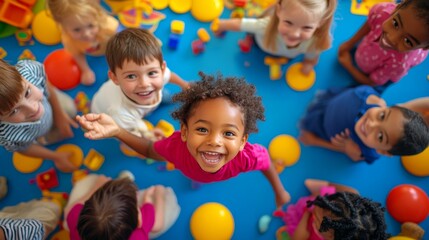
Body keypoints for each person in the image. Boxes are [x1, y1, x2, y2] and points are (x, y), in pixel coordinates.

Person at [77, 73, 291, 208]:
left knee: (202, 172)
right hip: (188, 168)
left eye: (228, 133)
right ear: (185, 132)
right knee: (198, 173)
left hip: (203, 168)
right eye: (202, 129)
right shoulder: (176, 146)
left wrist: (279, 190)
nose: (214, 141)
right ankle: (197, 177)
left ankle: (199, 178)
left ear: (244, 141)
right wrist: (118, 131)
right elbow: (151, 149)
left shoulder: (248, 157)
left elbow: (266, 164)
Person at [91, 28, 189, 138]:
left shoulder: (158, 73)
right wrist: (148, 134)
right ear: (115, 78)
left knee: (162, 93)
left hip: (141, 101)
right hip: (119, 119)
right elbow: (127, 136)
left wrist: (184, 84)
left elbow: (169, 76)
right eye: (131, 76)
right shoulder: (120, 113)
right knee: (138, 128)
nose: (144, 83)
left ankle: (158, 101)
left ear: (162, 69)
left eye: (151, 73)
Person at [299, 85, 429, 164]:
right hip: (328, 104)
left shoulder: (361, 150)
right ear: (386, 106)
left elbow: (354, 157)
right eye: (382, 116)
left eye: (380, 136)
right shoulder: (367, 96)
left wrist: (315, 141)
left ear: (382, 151)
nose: (371, 124)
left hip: (322, 128)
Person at [213, 0, 337, 74]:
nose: (294, 34)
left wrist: (308, 64)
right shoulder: (266, 26)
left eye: (306, 28)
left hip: (284, 55)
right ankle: (249, 39)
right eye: (288, 23)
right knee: (252, 32)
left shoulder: (315, 41)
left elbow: (312, 55)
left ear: (320, 22)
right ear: (279, 11)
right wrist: (222, 25)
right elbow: (240, 24)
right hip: (261, 43)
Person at [0, 59, 78, 172]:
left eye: (27, 93)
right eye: (14, 112)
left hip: (50, 101)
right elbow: (25, 148)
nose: (33, 109)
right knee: (51, 138)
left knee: (71, 109)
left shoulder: (28, 70)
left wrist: (60, 115)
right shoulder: (5, 135)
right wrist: (56, 157)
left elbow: (46, 83)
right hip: (41, 134)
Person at [338, 0, 429, 93]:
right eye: (396, 24)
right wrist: (350, 43)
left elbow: (372, 82)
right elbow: (370, 24)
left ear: (425, 47)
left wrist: (348, 66)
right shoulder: (382, 11)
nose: (391, 39)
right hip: (366, 51)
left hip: (378, 73)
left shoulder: (399, 64)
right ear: (398, 6)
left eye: (407, 41)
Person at [64, 174, 180, 240]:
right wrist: (155, 194)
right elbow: (157, 225)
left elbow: (75, 206)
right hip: (142, 227)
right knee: (170, 202)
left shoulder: (74, 216)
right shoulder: (138, 236)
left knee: (85, 184)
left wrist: (97, 185)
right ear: (138, 221)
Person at [281, 179, 390, 240]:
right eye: (323, 206)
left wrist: (306, 215)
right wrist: (322, 200)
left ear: (329, 236)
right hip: (335, 200)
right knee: (352, 192)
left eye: (318, 220)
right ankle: (327, 191)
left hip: (306, 227)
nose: (317, 209)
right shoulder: (340, 203)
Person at [47, 0, 121, 85]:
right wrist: (86, 70)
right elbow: (77, 54)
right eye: (77, 30)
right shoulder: (68, 39)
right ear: (64, 27)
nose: (87, 34)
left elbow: (124, 39)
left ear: (97, 15)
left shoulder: (108, 24)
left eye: (91, 25)